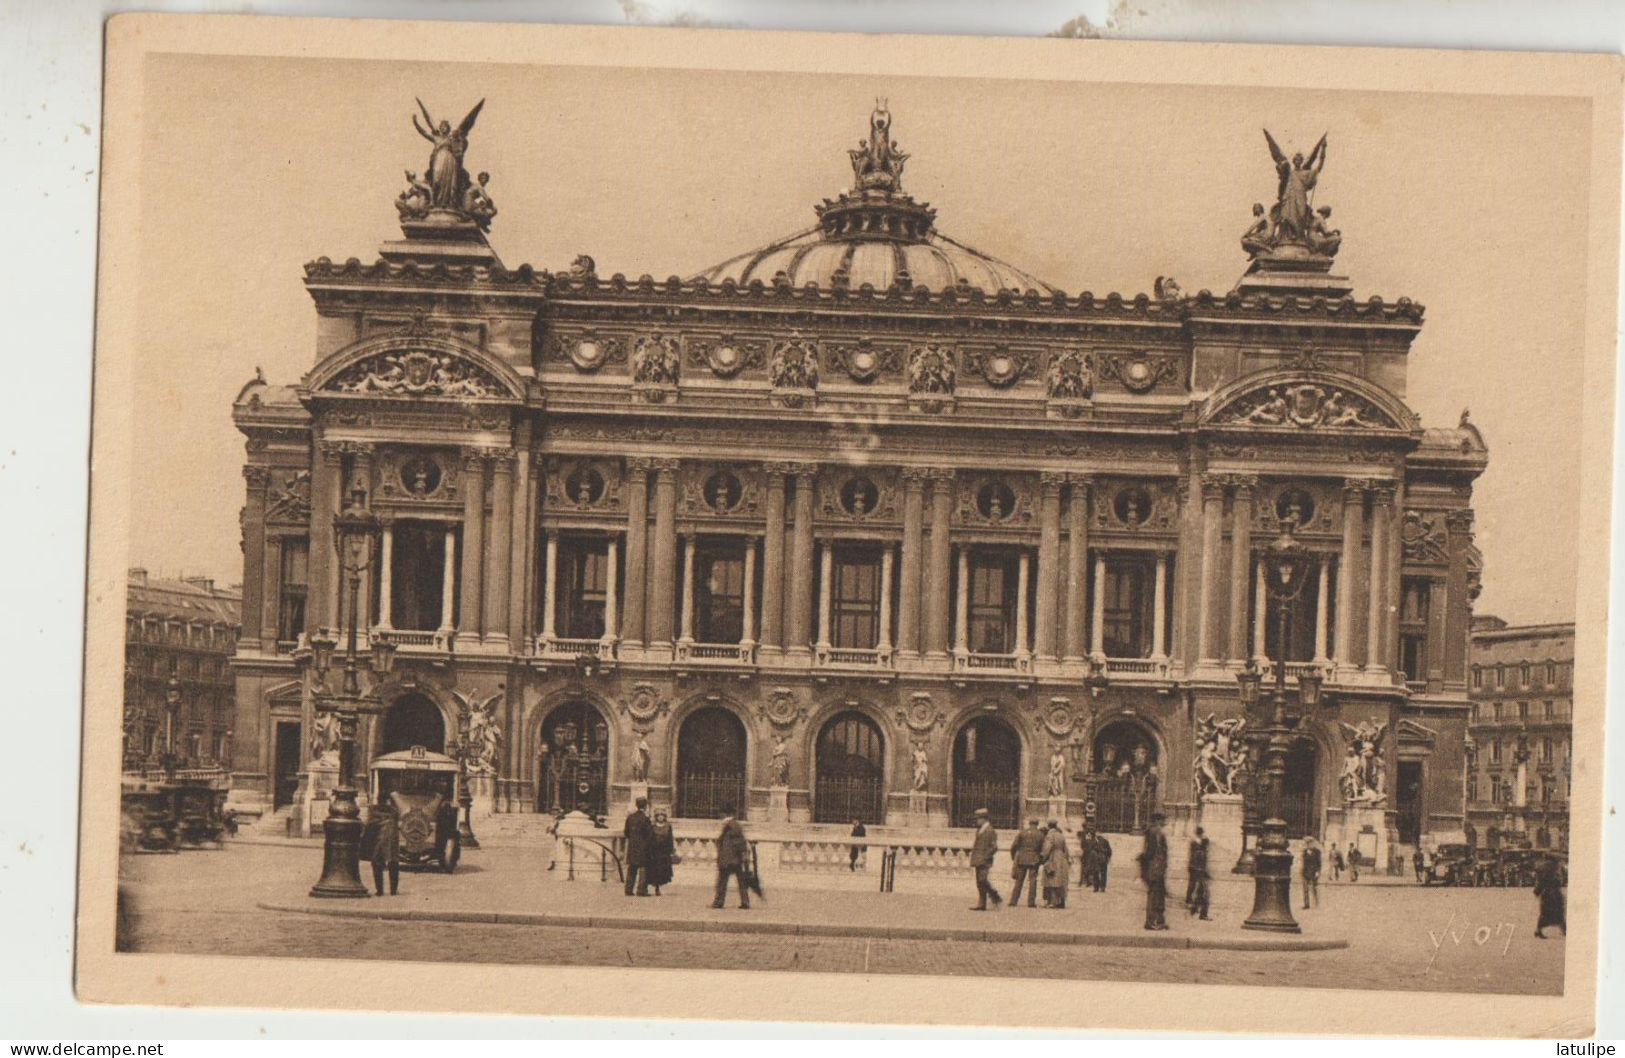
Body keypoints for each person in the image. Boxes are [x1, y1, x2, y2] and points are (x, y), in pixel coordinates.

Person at [711, 805, 751, 910]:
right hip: (733, 858)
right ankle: (745, 902)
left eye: (722, 814)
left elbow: (738, 842)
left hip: (730, 859)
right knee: (740, 881)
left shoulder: (731, 825)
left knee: (722, 881)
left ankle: (719, 902)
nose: (720, 816)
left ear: (725, 814)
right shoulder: (732, 825)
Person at [1139, 813, 1170, 930]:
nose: (1164, 822)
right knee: (1154, 895)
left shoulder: (1156, 832)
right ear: (1157, 821)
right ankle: (1151, 922)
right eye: (1162, 820)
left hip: (1158, 868)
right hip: (1155, 869)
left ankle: (1159, 920)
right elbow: (1150, 852)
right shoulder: (1154, 833)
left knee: (1159, 895)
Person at [363, 801, 400, 897]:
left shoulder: (373, 813)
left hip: (379, 841)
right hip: (392, 839)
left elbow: (368, 828)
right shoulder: (393, 813)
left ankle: (379, 890)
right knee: (393, 861)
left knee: (377, 863)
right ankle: (393, 890)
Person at [968, 808, 1002, 911]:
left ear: (984, 819)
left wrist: (986, 856)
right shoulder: (980, 830)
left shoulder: (990, 830)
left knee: (982, 880)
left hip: (984, 860)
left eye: (978, 819)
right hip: (978, 859)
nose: (976, 821)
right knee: (979, 882)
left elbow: (994, 847)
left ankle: (995, 896)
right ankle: (982, 904)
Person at [1009, 818, 1044, 907]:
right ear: (1037, 824)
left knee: (1019, 880)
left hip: (1022, 858)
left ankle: (1014, 900)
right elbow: (1043, 848)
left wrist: (1014, 857)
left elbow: (1014, 846)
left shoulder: (1022, 832)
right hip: (1034, 859)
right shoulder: (1040, 834)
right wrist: (1040, 859)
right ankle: (1031, 902)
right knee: (1033, 880)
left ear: (1029, 823)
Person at [623, 796, 652, 896]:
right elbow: (649, 834)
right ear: (645, 806)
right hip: (643, 847)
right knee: (644, 868)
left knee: (632, 868)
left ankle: (628, 889)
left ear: (636, 805)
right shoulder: (645, 819)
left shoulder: (630, 818)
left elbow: (626, 833)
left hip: (632, 846)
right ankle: (641, 890)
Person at [1533, 854, 1566, 939]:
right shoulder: (1555, 867)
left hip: (1546, 893)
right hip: (1555, 892)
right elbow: (1561, 879)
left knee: (1545, 912)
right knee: (1559, 911)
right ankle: (1564, 930)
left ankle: (1538, 930)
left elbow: (1540, 882)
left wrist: (1537, 891)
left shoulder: (1542, 868)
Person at [1041, 821, 1072, 909]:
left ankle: (1052, 902)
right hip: (1061, 858)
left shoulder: (1050, 835)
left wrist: (1043, 858)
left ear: (1049, 826)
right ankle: (1060, 901)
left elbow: (1047, 848)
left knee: (1051, 879)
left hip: (1053, 857)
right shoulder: (1061, 835)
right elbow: (1065, 849)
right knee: (1060, 880)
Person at [646, 810, 677, 896]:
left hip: (664, 851)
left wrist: (671, 850)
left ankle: (659, 886)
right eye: (658, 815)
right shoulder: (652, 826)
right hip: (654, 851)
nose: (660, 817)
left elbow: (670, 838)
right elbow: (649, 838)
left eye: (662, 815)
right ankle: (656, 886)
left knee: (662, 870)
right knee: (654, 870)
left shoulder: (668, 826)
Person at [1186, 826, 1211, 920]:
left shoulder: (1202, 842)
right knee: (1198, 887)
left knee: (1198, 886)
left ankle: (1194, 905)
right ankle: (1195, 907)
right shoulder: (1195, 843)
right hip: (1196, 867)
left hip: (1198, 867)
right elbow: (1194, 855)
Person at [1301, 835, 1322, 909]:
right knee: (1305, 889)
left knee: (1314, 888)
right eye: (1308, 843)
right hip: (1305, 872)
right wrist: (1302, 872)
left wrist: (1318, 872)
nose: (1309, 845)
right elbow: (1303, 863)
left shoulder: (1317, 852)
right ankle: (1306, 904)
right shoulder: (1305, 852)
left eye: (1310, 843)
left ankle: (1316, 903)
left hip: (1313, 872)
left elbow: (1319, 863)